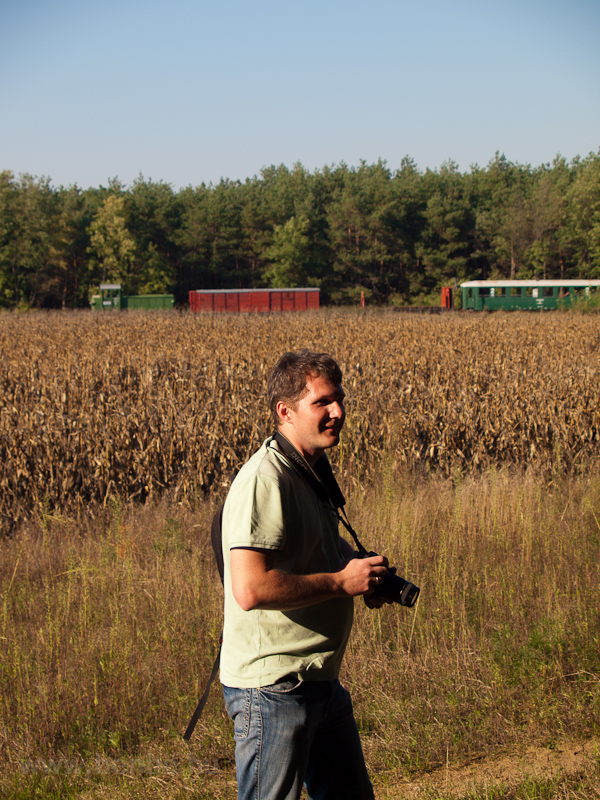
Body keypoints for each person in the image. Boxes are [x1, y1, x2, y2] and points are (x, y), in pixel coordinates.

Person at [220, 349, 391, 800]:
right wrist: (340, 583)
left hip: (317, 681)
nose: (338, 412)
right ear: (286, 411)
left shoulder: (309, 470)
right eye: (323, 403)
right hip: (274, 690)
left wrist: (361, 571)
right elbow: (251, 587)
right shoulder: (266, 478)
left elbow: (319, 547)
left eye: (339, 399)